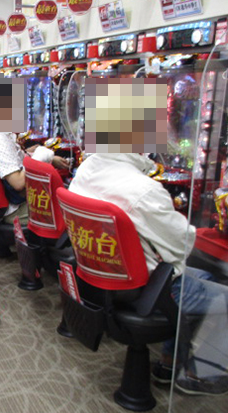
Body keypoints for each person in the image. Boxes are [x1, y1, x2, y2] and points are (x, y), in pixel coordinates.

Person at [70, 153, 228, 395]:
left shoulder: (86, 169)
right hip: (145, 291)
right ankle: (201, 375)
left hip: (100, 279)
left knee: (206, 278)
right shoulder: (144, 189)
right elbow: (182, 245)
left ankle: (169, 362)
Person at [0, 132, 69, 225]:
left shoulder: (0, 135)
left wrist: (49, 159)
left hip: (11, 201)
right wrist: (38, 158)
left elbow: (17, 162)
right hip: (15, 210)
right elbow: (18, 183)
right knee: (68, 213)